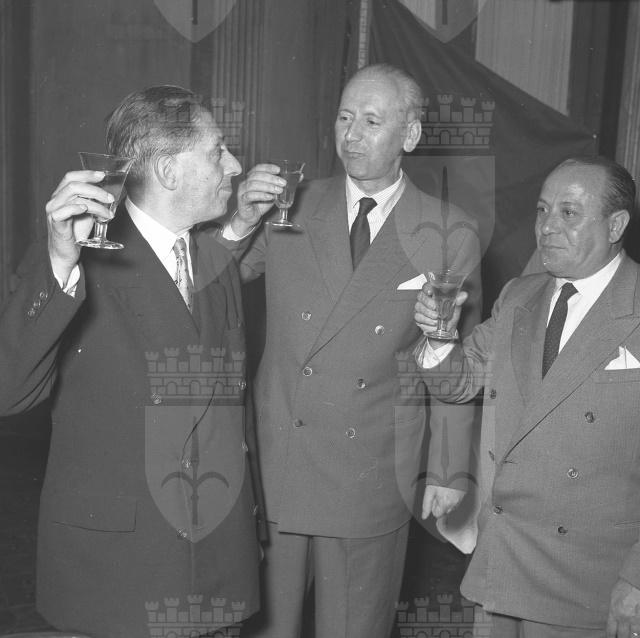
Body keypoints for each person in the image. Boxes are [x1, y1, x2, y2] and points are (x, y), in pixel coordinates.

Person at [216, 63, 482, 638]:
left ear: (410, 135)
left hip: (372, 468)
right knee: (265, 626)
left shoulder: (448, 230)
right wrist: (239, 221)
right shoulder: (289, 206)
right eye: (343, 118)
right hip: (279, 458)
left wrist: (447, 468)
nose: (352, 135)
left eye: (371, 121)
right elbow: (213, 285)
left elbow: (458, 361)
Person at [0, 85, 265, 638]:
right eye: (218, 151)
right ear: (169, 171)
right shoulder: (76, 260)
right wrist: (59, 259)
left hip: (218, 563)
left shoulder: (213, 261)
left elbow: (234, 416)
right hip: (120, 574)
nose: (235, 167)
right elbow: (10, 390)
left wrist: (251, 524)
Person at [414, 155, 640, 637]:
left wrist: (636, 579)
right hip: (503, 564)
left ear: (616, 225)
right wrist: (440, 335)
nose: (547, 227)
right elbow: (457, 383)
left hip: (590, 581)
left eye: (568, 213)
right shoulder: (520, 295)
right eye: (542, 210)